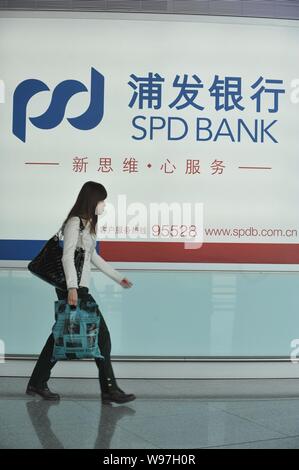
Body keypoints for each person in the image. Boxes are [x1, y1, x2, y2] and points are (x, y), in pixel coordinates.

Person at [26, 181, 136, 404]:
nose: (104, 205)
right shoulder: (75, 222)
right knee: (102, 336)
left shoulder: (86, 225)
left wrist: (117, 277)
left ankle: (37, 382)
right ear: (92, 200)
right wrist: (72, 288)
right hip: (74, 289)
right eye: (102, 200)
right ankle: (109, 389)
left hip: (77, 288)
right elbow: (67, 256)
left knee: (60, 335)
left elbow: (93, 257)